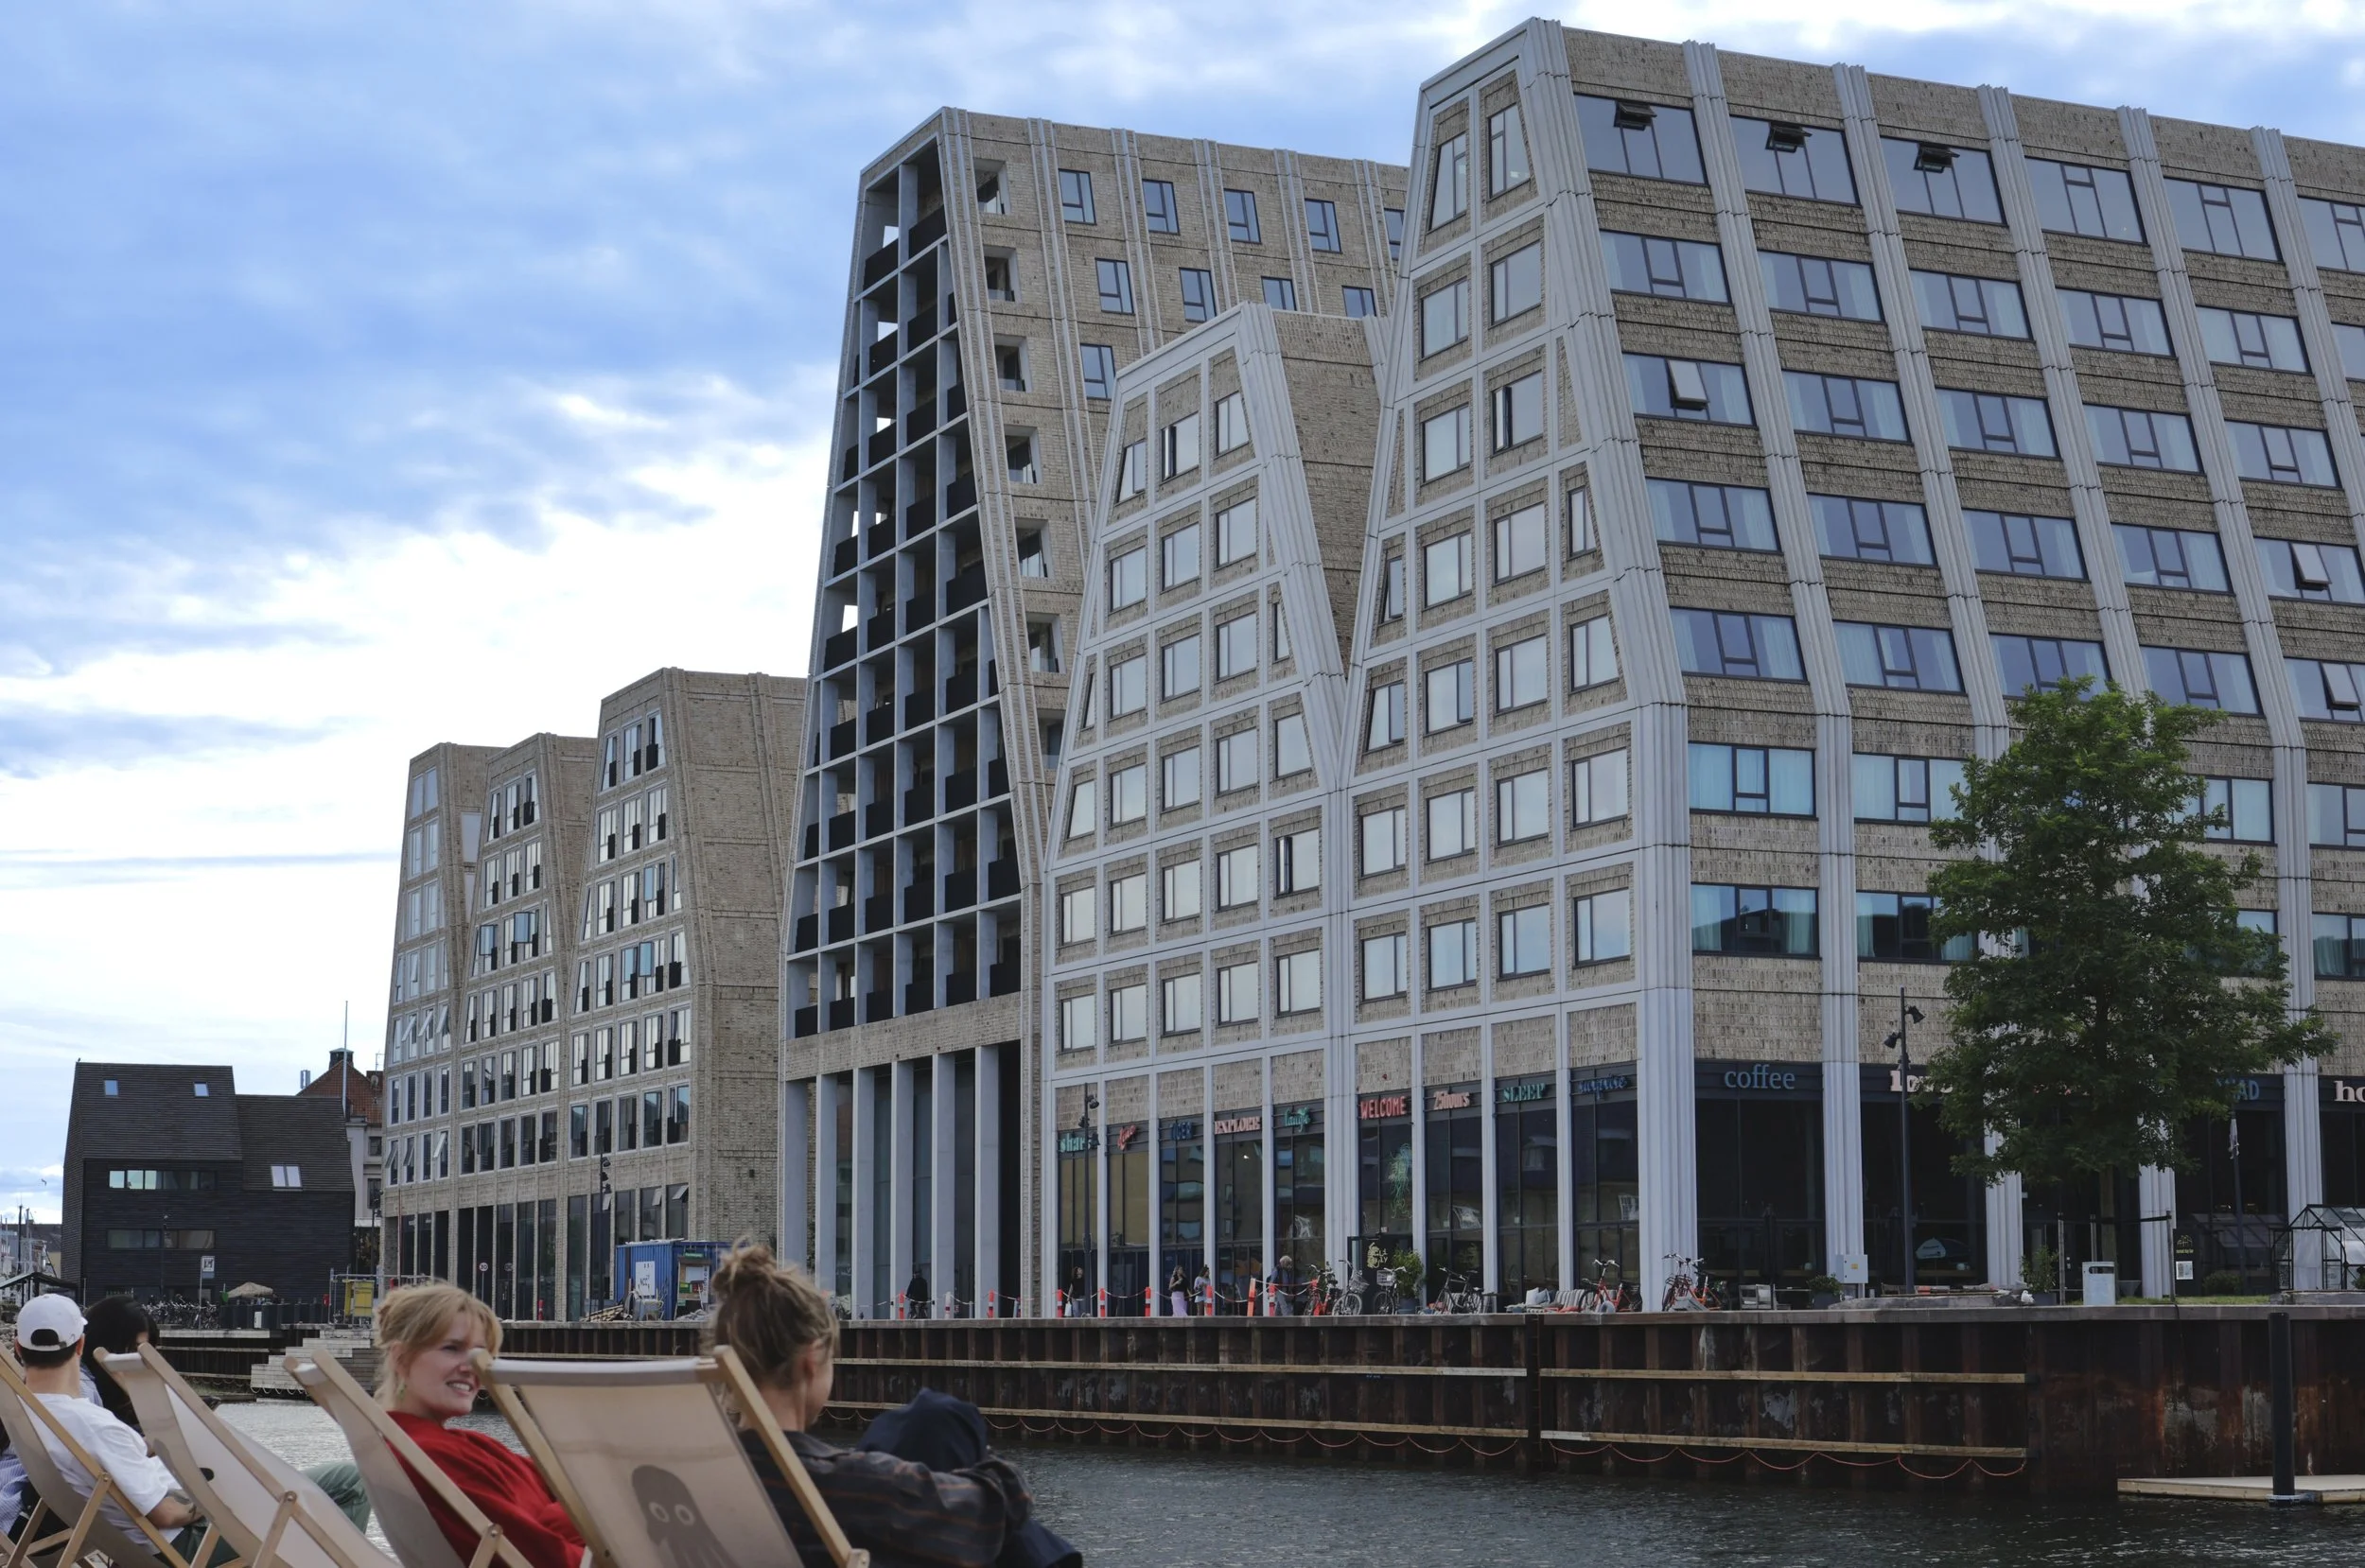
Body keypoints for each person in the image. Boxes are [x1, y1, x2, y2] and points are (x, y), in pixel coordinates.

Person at [706, 1244, 1051, 1567]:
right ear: (811, 1360)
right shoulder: (854, 1486)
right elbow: (998, 1505)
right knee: (938, 1422)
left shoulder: (700, 1481)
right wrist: (978, 1448)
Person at [375, 1282, 584, 1568]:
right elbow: (549, 1555)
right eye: (452, 1348)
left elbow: (578, 1492)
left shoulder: (459, 1444)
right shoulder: (432, 1457)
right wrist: (575, 1519)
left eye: (481, 1355)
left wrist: (563, 1515)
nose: (472, 1367)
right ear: (401, 1358)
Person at [9, 1295, 210, 1559]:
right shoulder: (93, 1424)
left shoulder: (21, 1411)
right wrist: (216, 1500)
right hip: (169, 1546)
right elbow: (166, 1514)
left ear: (18, 1349)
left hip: (119, 1543)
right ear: (81, 1345)